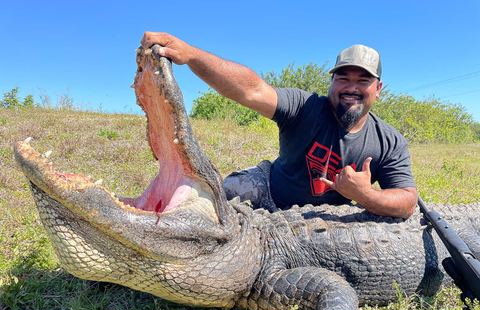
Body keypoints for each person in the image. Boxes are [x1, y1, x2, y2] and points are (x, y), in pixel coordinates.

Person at [141, 32, 418, 218]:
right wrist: (190, 54)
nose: (351, 88)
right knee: (202, 204)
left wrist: (366, 195)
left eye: (363, 81)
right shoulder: (305, 106)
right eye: (343, 78)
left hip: (326, 221)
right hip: (268, 190)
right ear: (332, 82)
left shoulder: (389, 141)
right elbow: (252, 90)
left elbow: (407, 200)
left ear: (378, 88)